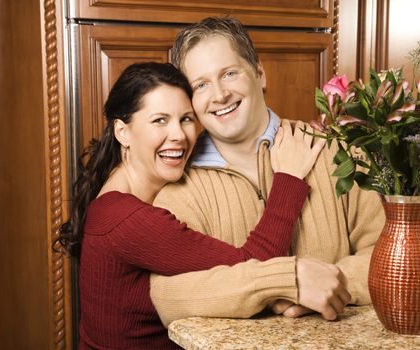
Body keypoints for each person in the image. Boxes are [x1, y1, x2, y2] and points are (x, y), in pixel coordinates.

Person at [57, 61, 327, 349]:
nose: (179, 135)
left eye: (186, 119)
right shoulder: (130, 220)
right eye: (160, 120)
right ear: (122, 132)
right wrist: (289, 178)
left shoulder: (116, 197)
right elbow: (253, 266)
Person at [150, 16, 385, 327]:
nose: (219, 95)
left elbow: (391, 254)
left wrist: (332, 284)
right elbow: (167, 295)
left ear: (259, 74)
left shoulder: (335, 151)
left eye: (230, 73)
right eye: (201, 84)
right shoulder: (180, 188)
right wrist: (286, 281)